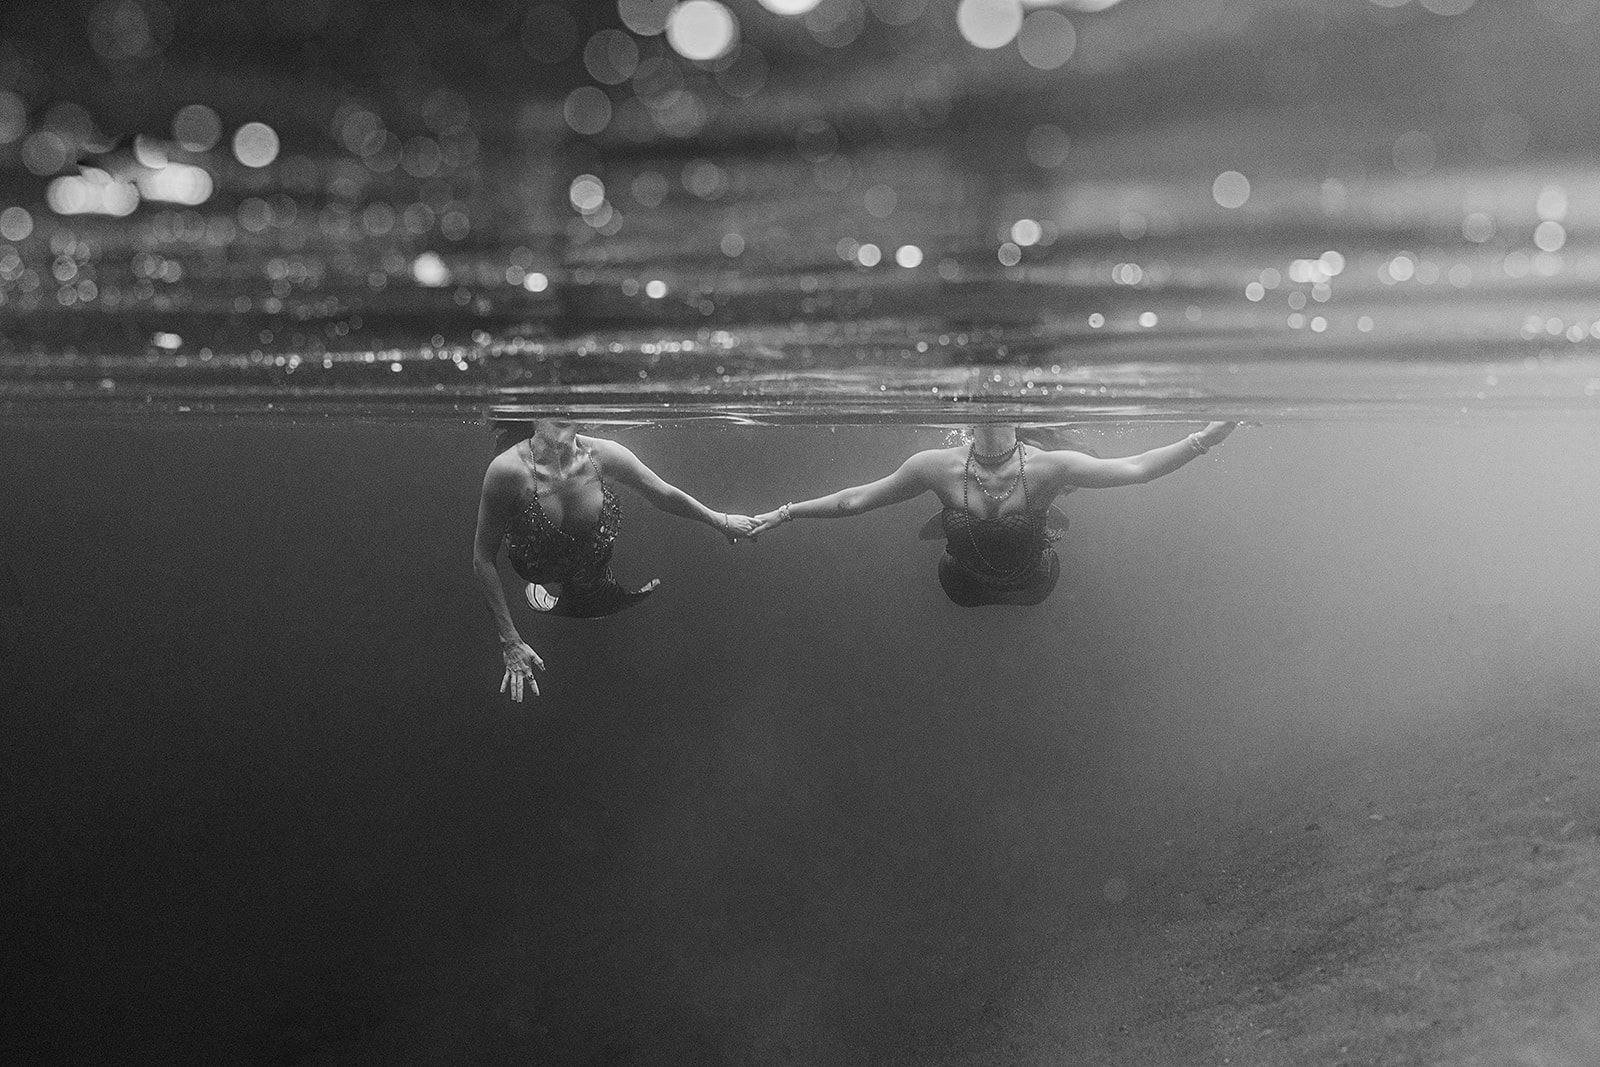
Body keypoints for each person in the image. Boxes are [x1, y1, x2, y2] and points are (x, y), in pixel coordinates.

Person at [750, 422, 1238, 607]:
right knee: (960, 558)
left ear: (1018, 413)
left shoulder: (1050, 467)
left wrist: (1208, 436)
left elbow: (1136, 469)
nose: (989, 415)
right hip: (961, 586)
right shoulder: (934, 467)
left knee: (1026, 556)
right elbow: (854, 499)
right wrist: (785, 513)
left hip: (1033, 583)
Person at [474, 417, 759, 700]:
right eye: (551, 406)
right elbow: (483, 558)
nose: (561, 413)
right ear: (532, 415)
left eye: (568, 408)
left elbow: (663, 494)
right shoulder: (508, 471)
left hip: (592, 562)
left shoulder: (603, 455)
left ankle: (590, 595)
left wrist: (720, 521)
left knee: (595, 567)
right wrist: (510, 640)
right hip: (537, 563)